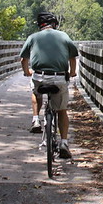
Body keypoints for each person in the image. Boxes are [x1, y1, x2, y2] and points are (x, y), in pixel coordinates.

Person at [19, 11, 79, 159]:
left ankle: (36, 119)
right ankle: (64, 142)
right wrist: (72, 72)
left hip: (40, 76)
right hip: (59, 78)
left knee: (36, 91)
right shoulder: (64, 36)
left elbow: (23, 60)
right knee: (62, 110)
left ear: (40, 25)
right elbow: (73, 57)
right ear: (54, 24)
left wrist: (27, 72)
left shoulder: (33, 37)